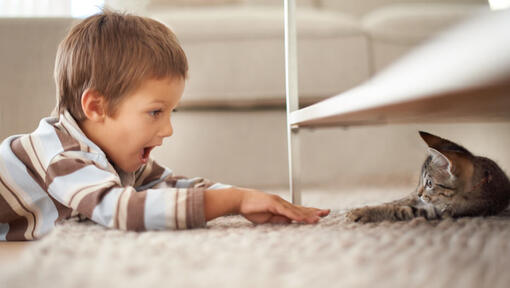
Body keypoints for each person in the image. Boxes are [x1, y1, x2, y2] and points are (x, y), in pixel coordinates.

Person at [0, 10, 330, 241]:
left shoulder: (115, 157)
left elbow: (171, 186)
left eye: (172, 112)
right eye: (156, 112)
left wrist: (245, 197)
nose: (168, 129)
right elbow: (120, 210)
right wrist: (232, 202)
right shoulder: (63, 156)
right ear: (96, 107)